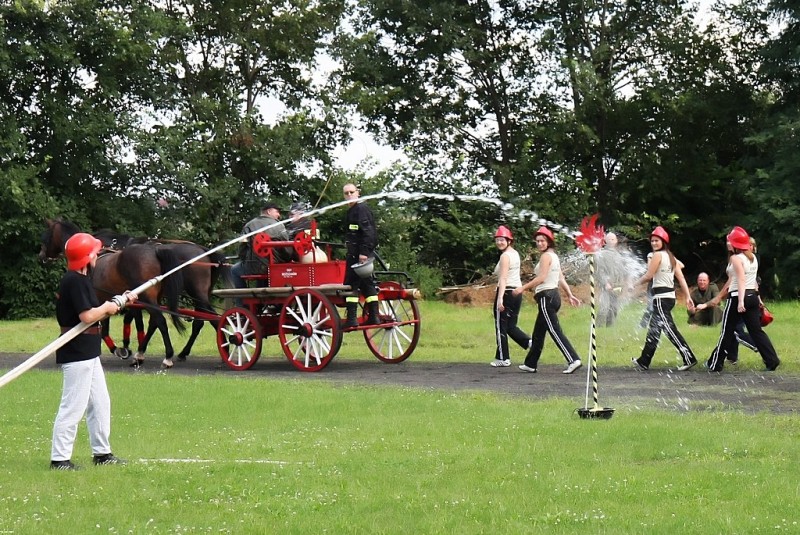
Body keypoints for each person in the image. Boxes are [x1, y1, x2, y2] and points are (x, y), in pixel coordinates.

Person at [51, 233, 137, 470]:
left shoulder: (82, 279)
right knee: (73, 405)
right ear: (86, 257)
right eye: (94, 252)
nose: (98, 255)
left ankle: (102, 454)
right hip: (77, 352)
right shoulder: (73, 281)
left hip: (89, 351)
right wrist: (110, 307)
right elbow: (88, 316)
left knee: (100, 403)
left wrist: (121, 301)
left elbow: (95, 310)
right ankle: (59, 459)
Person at [705, 227, 780, 372]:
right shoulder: (752, 258)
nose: (727, 242)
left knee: (727, 331)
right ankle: (772, 360)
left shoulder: (735, 258)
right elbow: (751, 280)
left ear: (735, 244)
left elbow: (740, 279)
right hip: (752, 296)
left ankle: (715, 364)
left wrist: (740, 301)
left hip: (738, 297)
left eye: (729, 240)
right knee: (756, 331)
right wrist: (757, 298)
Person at [512, 226, 583, 374]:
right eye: (537, 241)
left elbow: (542, 277)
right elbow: (561, 278)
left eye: (542, 241)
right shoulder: (554, 256)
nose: (539, 243)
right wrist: (570, 295)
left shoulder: (546, 257)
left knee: (553, 329)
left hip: (547, 296)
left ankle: (573, 359)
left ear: (549, 241)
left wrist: (522, 288)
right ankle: (530, 363)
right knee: (538, 332)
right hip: (553, 296)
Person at [631, 226, 698, 371]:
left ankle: (689, 357)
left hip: (662, 298)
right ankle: (644, 360)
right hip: (668, 297)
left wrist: (633, 284)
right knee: (654, 329)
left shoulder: (657, 255)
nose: (654, 243)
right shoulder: (671, 257)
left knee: (669, 329)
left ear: (664, 241)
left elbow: (649, 276)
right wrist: (687, 296)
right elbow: (681, 276)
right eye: (652, 241)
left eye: (657, 240)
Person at [490, 226, 531, 367]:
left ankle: (503, 357)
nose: (499, 242)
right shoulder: (515, 254)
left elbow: (503, 279)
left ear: (509, 241)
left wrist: (500, 298)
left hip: (507, 292)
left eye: (502, 240)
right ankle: (528, 342)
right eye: (497, 240)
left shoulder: (505, 256)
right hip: (517, 293)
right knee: (511, 325)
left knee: (500, 325)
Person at [230, 202, 292, 292]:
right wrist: (286, 260)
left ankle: (242, 301)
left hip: (255, 266)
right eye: (277, 212)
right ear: (269, 211)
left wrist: (243, 259)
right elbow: (287, 249)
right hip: (276, 267)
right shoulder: (279, 226)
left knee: (234, 270)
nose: (279, 215)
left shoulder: (249, 225)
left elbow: (242, 248)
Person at [342, 183, 380, 327]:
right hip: (355, 254)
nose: (349, 195)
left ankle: (352, 319)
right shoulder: (352, 211)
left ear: (358, 193)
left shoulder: (361, 209)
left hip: (360, 256)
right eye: (346, 193)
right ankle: (374, 317)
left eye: (352, 192)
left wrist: (364, 253)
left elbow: (369, 233)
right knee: (367, 284)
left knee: (351, 285)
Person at [596, 231, 626, 327]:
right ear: (605, 241)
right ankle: (598, 326)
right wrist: (605, 283)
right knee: (604, 307)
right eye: (609, 239)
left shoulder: (619, 255)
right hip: (606, 285)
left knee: (614, 307)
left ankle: (610, 326)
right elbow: (599, 270)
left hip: (617, 285)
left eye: (613, 239)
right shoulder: (601, 254)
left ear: (616, 241)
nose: (611, 241)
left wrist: (622, 283)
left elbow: (622, 271)